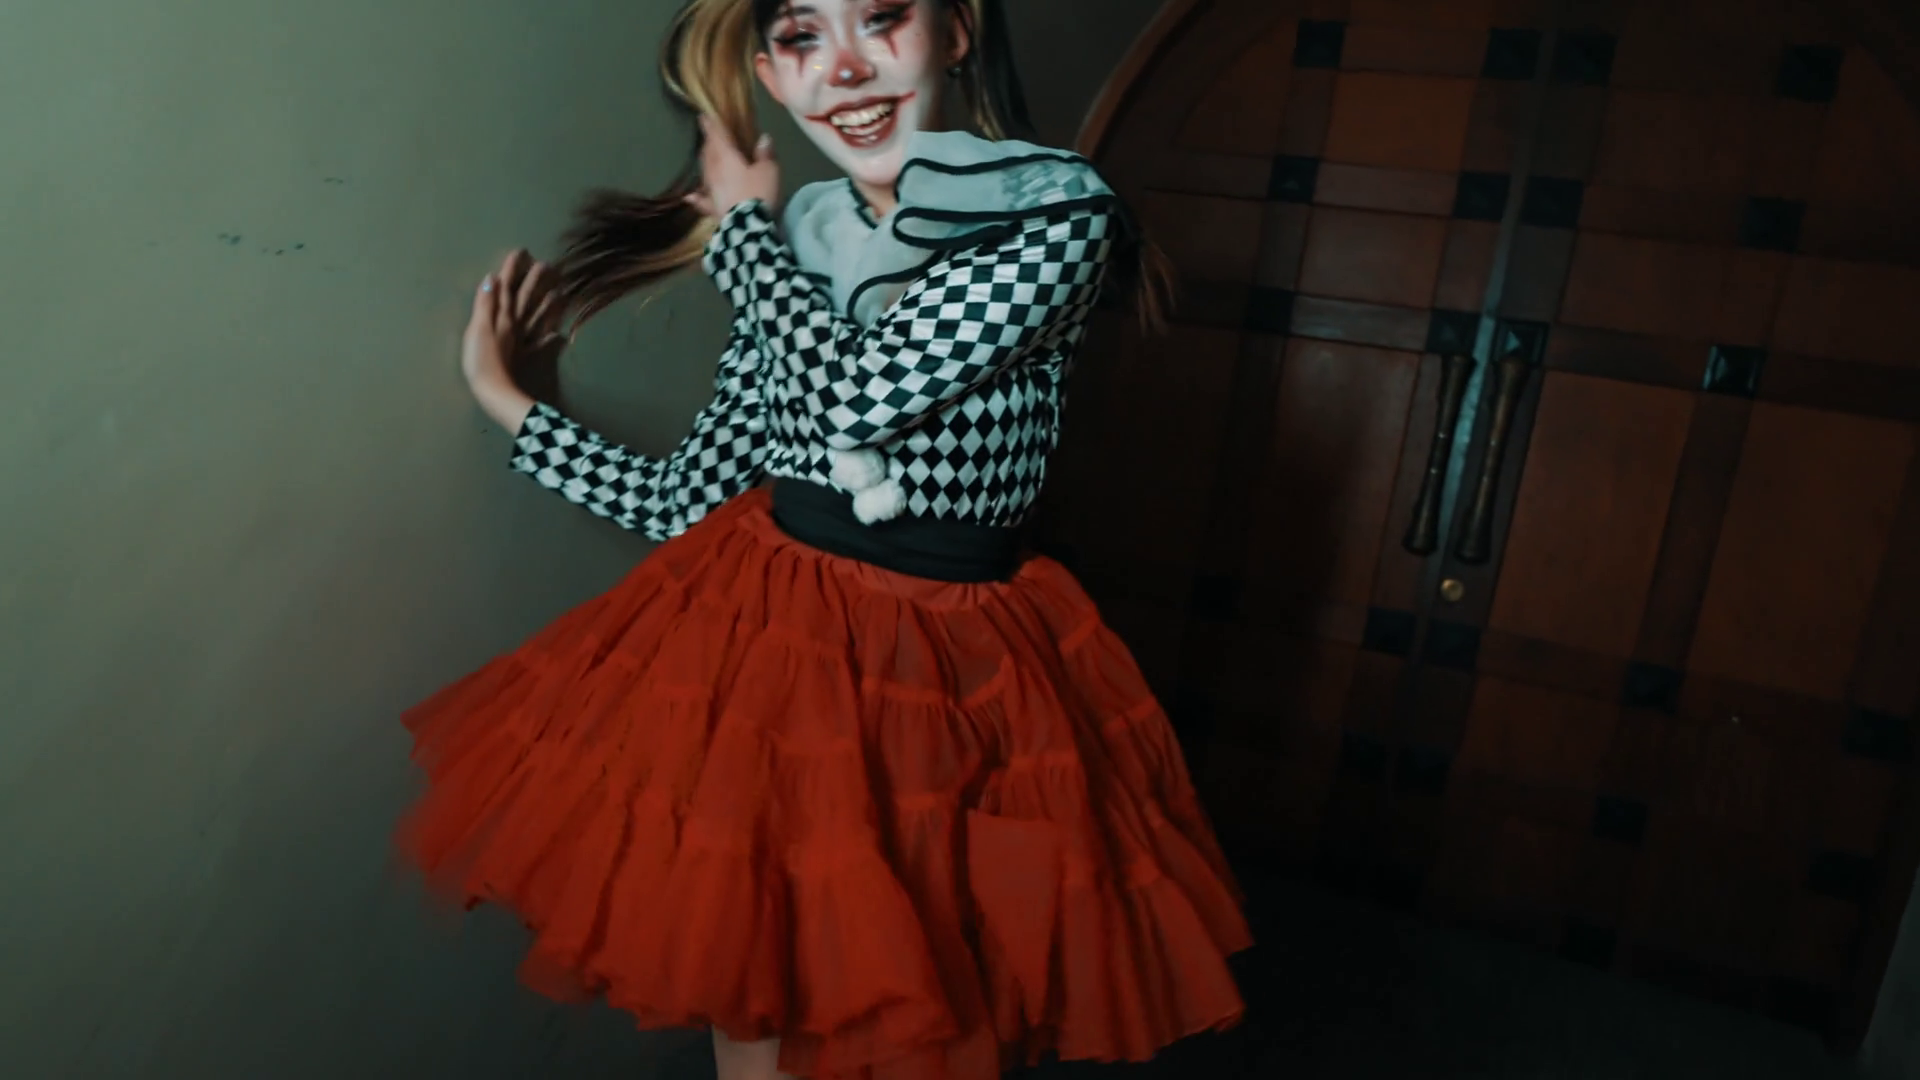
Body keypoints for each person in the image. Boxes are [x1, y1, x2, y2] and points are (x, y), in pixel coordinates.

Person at [397, 1, 1251, 1077]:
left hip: (948, 671)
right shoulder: (800, 241)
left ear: (956, 32)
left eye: (882, 17)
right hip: (769, 657)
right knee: (753, 997)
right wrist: (509, 402)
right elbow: (683, 499)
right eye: (802, 37)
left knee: (917, 1012)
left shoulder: (1054, 212)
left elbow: (857, 402)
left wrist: (744, 237)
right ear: (769, 72)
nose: (843, 69)